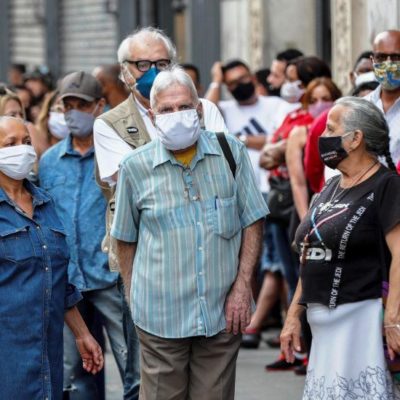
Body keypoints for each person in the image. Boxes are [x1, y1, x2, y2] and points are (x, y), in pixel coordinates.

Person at [111, 66, 268, 399]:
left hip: (221, 313)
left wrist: (242, 286)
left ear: (199, 109)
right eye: (166, 110)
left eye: (184, 106)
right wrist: (133, 296)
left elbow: (253, 220)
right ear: (152, 117)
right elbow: (124, 238)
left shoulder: (230, 153)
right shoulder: (135, 167)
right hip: (159, 317)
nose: (176, 115)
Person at [93, 27, 227, 399]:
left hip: (208, 258)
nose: (152, 70)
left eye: (162, 62)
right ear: (125, 71)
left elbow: (222, 177)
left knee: (209, 376)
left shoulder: (206, 110)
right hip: (149, 265)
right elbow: (135, 185)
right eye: (142, 64)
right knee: (149, 377)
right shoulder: (109, 124)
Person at [281, 97, 400, 399]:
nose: (322, 137)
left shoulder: (386, 185)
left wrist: (393, 319)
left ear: (356, 138)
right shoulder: (331, 187)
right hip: (322, 326)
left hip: (361, 321)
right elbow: (309, 254)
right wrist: (294, 314)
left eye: (330, 129)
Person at [38, 71, 129, 400]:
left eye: (82, 105)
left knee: (131, 366)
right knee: (79, 376)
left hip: (110, 277)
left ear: (100, 105)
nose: (74, 112)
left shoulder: (118, 155)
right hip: (70, 284)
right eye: (68, 105)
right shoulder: (49, 162)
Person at [0, 116, 103, 399]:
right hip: (8, 360)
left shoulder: (44, 203)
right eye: (10, 144)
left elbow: (58, 279)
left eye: (26, 142)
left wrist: (82, 334)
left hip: (47, 354)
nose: (21, 150)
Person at [286, 77, 342, 220]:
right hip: (312, 205)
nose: (319, 104)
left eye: (325, 98)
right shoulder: (299, 133)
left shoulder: (345, 130)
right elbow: (298, 183)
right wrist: (306, 220)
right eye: (313, 101)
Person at [364, 30, 400, 165]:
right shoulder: (361, 108)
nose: (388, 64)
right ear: (372, 60)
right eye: (381, 57)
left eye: (396, 57)